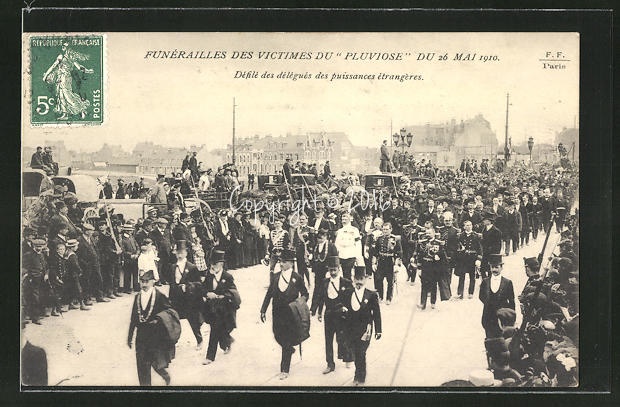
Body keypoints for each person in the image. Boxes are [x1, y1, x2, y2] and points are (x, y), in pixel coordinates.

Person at [260, 249, 309, 380]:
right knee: (277, 336)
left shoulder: (296, 277)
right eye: (280, 261)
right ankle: (289, 349)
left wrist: (299, 303)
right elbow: (269, 294)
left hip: (290, 314)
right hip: (277, 312)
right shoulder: (275, 276)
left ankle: (284, 369)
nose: (281, 264)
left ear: (291, 263)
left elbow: (305, 294)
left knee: (286, 339)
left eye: (284, 262)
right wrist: (263, 309)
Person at [127, 270, 177, 386]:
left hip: (155, 336)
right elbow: (134, 318)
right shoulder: (137, 297)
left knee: (155, 362)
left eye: (147, 282)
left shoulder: (159, 296)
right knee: (141, 365)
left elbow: (169, 312)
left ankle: (165, 375)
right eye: (142, 281)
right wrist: (130, 337)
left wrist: (158, 320)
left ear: (153, 282)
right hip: (141, 337)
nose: (144, 285)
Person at [312, 255, 353, 374]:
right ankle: (330, 363)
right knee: (328, 340)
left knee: (343, 338)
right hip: (329, 313)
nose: (333, 272)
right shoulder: (324, 282)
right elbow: (320, 298)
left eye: (335, 269)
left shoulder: (346, 282)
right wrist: (319, 312)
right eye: (331, 270)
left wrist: (348, 310)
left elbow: (351, 299)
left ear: (339, 269)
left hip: (341, 314)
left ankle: (348, 358)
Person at [342, 266, 382, 386]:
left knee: (361, 352)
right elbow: (344, 308)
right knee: (355, 352)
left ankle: (360, 377)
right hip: (351, 329)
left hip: (365, 329)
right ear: (353, 279)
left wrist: (378, 331)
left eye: (361, 279)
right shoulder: (348, 293)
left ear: (366, 279)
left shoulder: (371, 295)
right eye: (357, 279)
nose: (359, 282)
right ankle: (358, 373)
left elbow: (377, 314)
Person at [202, 250, 239, 364]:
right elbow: (203, 289)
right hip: (212, 309)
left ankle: (210, 356)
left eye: (215, 264)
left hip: (225, 309)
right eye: (212, 264)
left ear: (221, 264)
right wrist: (207, 294)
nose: (212, 266)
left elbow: (233, 291)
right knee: (217, 329)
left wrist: (220, 296)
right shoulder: (209, 276)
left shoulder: (227, 277)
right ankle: (227, 341)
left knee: (216, 330)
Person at [168, 243, 203, 347]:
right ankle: (173, 342)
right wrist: (170, 298)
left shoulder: (191, 267)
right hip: (176, 298)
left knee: (193, 320)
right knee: (174, 320)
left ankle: (199, 340)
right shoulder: (173, 267)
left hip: (188, 298)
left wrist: (187, 286)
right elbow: (172, 283)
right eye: (178, 252)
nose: (179, 255)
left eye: (182, 252)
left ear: (186, 253)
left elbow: (199, 284)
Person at [479, 254, 515, 338]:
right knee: (489, 336)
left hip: (502, 316)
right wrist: (488, 303)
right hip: (488, 315)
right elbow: (481, 296)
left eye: (497, 267)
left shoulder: (507, 282)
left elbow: (511, 301)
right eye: (492, 267)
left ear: (501, 267)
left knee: (501, 337)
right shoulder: (485, 282)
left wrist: (511, 316)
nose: (494, 270)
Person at [370, 222, 402, 305]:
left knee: (390, 281)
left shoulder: (395, 239)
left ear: (391, 229)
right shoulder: (379, 238)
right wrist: (374, 263)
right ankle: (380, 296)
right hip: (381, 261)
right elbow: (375, 252)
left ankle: (389, 298)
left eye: (387, 229)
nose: (385, 231)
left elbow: (399, 253)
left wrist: (396, 265)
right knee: (379, 279)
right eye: (383, 229)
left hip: (390, 262)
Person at [454, 220, 483, 299]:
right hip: (463, 259)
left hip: (472, 258)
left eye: (470, 225)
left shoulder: (476, 236)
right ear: (464, 227)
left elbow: (480, 249)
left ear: (472, 226)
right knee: (461, 276)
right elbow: (457, 247)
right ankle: (460, 293)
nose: (468, 227)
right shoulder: (460, 236)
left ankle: (471, 292)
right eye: (467, 225)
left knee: (472, 276)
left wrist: (479, 259)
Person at [334, 212, 363, 281]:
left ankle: (349, 288)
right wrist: (336, 254)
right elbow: (337, 243)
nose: (343, 221)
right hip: (341, 254)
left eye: (345, 219)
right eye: (342, 219)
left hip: (350, 254)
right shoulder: (340, 231)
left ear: (350, 220)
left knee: (348, 273)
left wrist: (358, 256)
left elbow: (358, 243)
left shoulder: (354, 230)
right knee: (343, 273)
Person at [480, 211, 502, 279]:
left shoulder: (496, 231)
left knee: (490, 269)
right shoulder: (484, 229)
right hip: (485, 252)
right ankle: (485, 281)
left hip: (492, 254)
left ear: (490, 221)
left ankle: (489, 282)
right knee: (482, 269)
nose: (483, 221)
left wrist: (495, 255)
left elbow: (498, 245)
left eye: (485, 220)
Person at [121, 223, 140, 293]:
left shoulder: (132, 237)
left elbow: (137, 246)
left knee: (135, 273)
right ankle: (127, 288)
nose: (131, 232)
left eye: (131, 230)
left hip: (135, 258)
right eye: (129, 230)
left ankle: (136, 287)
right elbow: (123, 250)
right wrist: (131, 255)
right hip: (128, 259)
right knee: (127, 274)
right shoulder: (123, 239)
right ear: (126, 231)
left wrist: (137, 253)